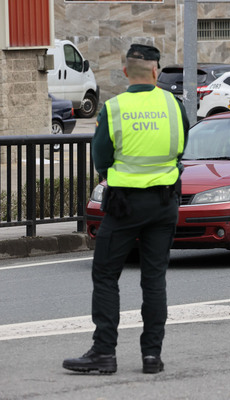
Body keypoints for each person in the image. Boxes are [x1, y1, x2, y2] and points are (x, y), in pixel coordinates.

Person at [63, 44, 189, 374]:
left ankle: (104, 352)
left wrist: (117, 175)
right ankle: (152, 357)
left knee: (106, 274)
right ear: (155, 71)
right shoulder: (173, 105)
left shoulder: (115, 108)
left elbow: (101, 157)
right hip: (164, 204)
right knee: (154, 279)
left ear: (124, 73)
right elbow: (182, 146)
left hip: (125, 205)